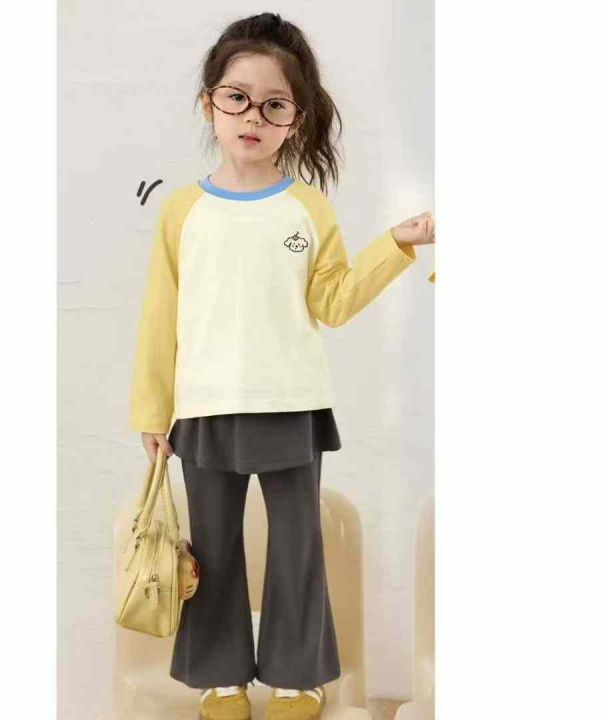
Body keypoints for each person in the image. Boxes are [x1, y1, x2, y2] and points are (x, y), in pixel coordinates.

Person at [128, 12, 435, 720]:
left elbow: (333, 301)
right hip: (203, 408)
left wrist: (396, 243)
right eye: (237, 98)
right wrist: (151, 411)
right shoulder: (180, 212)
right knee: (214, 547)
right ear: (209, 102)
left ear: (295, 120)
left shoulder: (308, 208)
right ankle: (221, 679)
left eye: (274, 105)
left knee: (298, 546)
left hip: (292, 405)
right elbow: (159, 318)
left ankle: (299, 677)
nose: (252, 117)